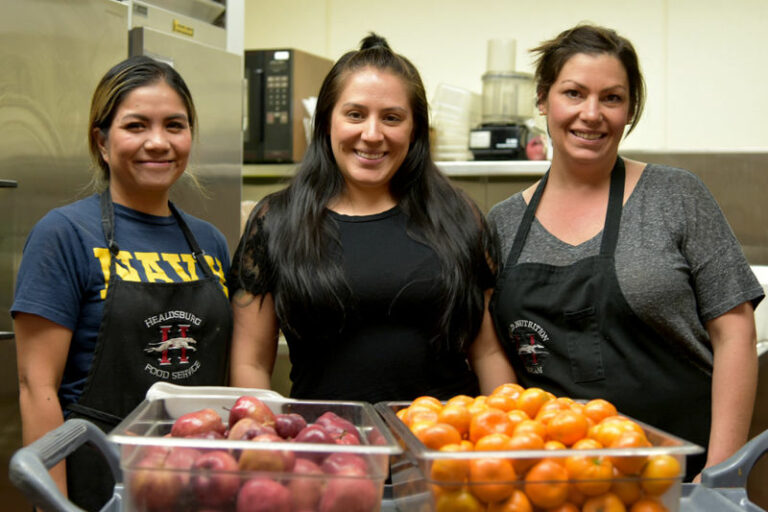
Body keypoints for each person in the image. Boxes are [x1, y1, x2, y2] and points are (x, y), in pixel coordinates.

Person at [487, 24, 764, 481]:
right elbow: (495, 353)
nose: (591, 114)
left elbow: (734, 333)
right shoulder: (502, 223)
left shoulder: (676, 196)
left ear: (630, 108)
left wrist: (719, 472)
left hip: (681, 474)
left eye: (612, 98)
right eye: (573, 93)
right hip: (556, 480)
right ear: (543, 100)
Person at [229, 33, 513, 403]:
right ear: (327, 121)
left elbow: (488, 353)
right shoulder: (277, 220)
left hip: (446, 445)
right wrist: (264, 443)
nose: (372, 134)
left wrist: (506, 437)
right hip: (330, 445)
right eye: (355, 114)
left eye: (392, 117)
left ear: (415, 130)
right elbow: (250, 364)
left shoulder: (458, 215)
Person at [12, 56, 232, 509]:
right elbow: (38, 388)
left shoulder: (210, 242)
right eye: (136, 126)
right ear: (103, 141)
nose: (158, 142)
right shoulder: (64, 235)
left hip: (201, 479)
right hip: (99, 479)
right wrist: (54, 504)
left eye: (175, 125)